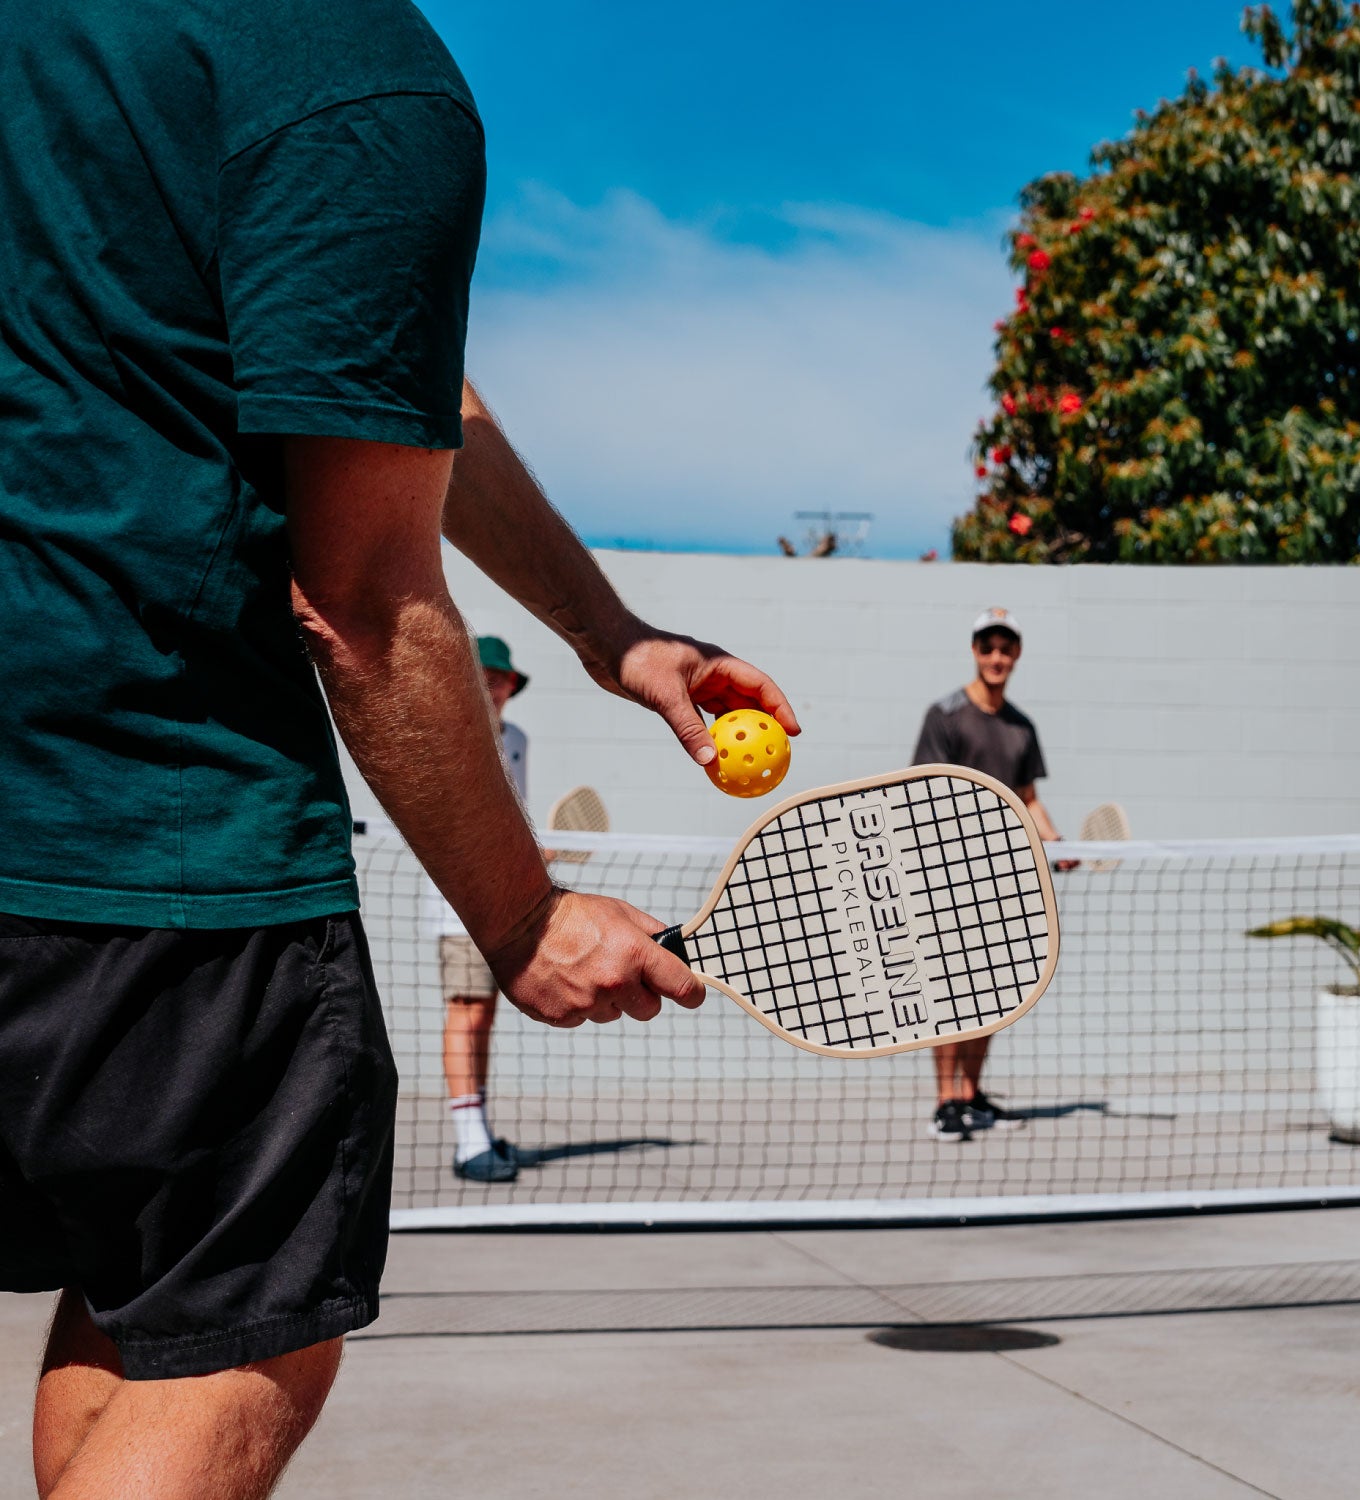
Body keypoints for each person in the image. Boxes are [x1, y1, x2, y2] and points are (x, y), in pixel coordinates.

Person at [0, 5, 799, 1498]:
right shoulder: (349, 65)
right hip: (149, 835)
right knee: (232, 1337)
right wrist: (525, 913)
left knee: (143, 1288)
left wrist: (605, 627)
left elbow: (392, 380)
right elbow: (360, 599)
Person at [911, 607, 1068, 1142]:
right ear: (975, 651)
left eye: (1007, 648)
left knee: (994, 993)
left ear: (1016, 655)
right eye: (988, 647)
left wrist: (1057, 842)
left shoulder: (1022, 726)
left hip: (1007, 878)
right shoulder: (946, 715)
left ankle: (972, 1095)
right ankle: (944, 1102)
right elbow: (928, 793)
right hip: (951, 878)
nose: (997, 657)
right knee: (950, 993)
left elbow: (1029, 799)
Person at [439, 635, 533, 1182]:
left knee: (488, 1015)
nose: (493, 686)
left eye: (501, 678)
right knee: (467, 1011)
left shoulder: (517, 739)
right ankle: (468, 1141)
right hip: (457, 905)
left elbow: (514, 818)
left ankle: (478, 1127)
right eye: (484, 675)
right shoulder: (451, 737)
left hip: (508, 906)